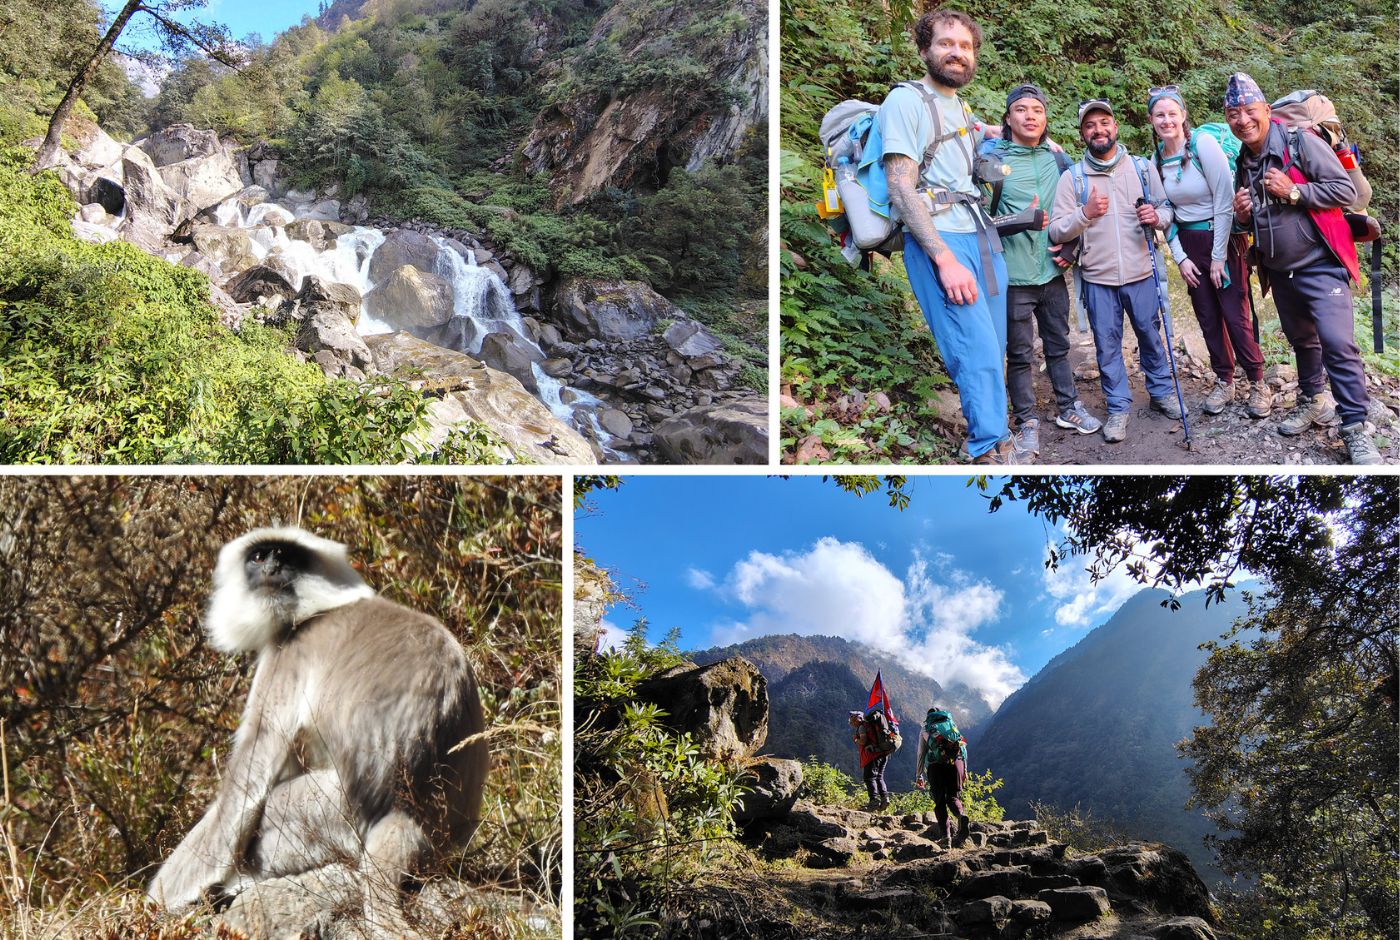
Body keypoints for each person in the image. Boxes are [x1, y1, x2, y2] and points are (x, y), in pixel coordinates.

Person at [878, 8, 1019, 465]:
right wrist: (942, 257)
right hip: (943, 241)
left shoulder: (960, 107)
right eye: (945, 44)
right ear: (925, 50)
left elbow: (966, 148)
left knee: (992, 345)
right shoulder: (905, 101)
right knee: (972, 350)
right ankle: (985, 450)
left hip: (980, 235)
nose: (956, 53)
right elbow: (901, 185)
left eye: (965, 46)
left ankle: (997, 435)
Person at [1226, 72, 1382, 464]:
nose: (1242, 119)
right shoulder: (1244, 160)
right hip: (1279, 270)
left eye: (1249, 110)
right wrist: (1243, 217)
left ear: (1265, 110)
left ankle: (1355, 427)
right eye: (1233, 113)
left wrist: (1295, 191)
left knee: (1337, 342)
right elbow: (1256, 219)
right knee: (1303, 341)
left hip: (1320, 264)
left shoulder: (1301, 143)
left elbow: (1344, 190)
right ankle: (1312, 400)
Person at [1047, 99, 1180, 444]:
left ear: (1115, 127)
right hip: (1097, 279)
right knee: (1107, 346)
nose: (1098, 130)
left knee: (1151, 337)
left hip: (1142, 272)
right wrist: (1085, 213)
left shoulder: (1141, 168)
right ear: (1082, 134)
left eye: (1104, 122)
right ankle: (1118, 407)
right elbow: (1057, 231)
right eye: (1090, 126)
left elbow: (1167, 211)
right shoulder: (1072, 179)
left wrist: (1157, 217)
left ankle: (1162, 392)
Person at [982, 83, 1103, 455]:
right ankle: (1026, 420)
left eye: (1036, 109)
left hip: (1052, 272)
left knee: (1058, 345)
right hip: (1013, 275)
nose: (1030, 116)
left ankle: (1068, 407)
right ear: (1008, 118)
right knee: (1019, 352)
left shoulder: (1059, 161)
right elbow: (981, 223)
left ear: (1045, 118)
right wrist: (1022, 220)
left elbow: (1073, 212)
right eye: (1021, 109)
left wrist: (1071, 245)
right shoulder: (991, 162)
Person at [1148, 85, 1270, 419]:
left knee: (1235, 314)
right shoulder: (1155, 160)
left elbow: (1223, 198)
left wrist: (1218, 256)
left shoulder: (1203, 144)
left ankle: (1258, 381)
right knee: (1206, 316)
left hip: (1223, 240)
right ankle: (1224, 379)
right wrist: (1181, 259)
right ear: (1152, 120)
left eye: (1173, 113)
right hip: (1189, 244)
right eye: (1160, 114)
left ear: (1183, 116)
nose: (1167, 120)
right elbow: (1165, 213)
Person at [915, 707, 969, 847]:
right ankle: (961, 816)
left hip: (936, 765)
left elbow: (921, 753)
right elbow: (963, 748)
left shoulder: (926, 728)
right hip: (956, 764)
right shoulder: (951, 725)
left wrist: (919, 774)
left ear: (929, 716)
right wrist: (965, 771)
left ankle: (946, 838)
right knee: (953, 797)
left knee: (940, 802)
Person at [850, 710, 890, 810]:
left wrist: (856, 740)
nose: (851, 722)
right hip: (882, 753)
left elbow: (863, 741)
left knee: (869, 778)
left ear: (858, 719)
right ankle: (885, 799)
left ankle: (874, 801)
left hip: (872, 755)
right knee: (879, 777)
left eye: (853, 719)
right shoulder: (870, 726)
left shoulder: (862, 727)